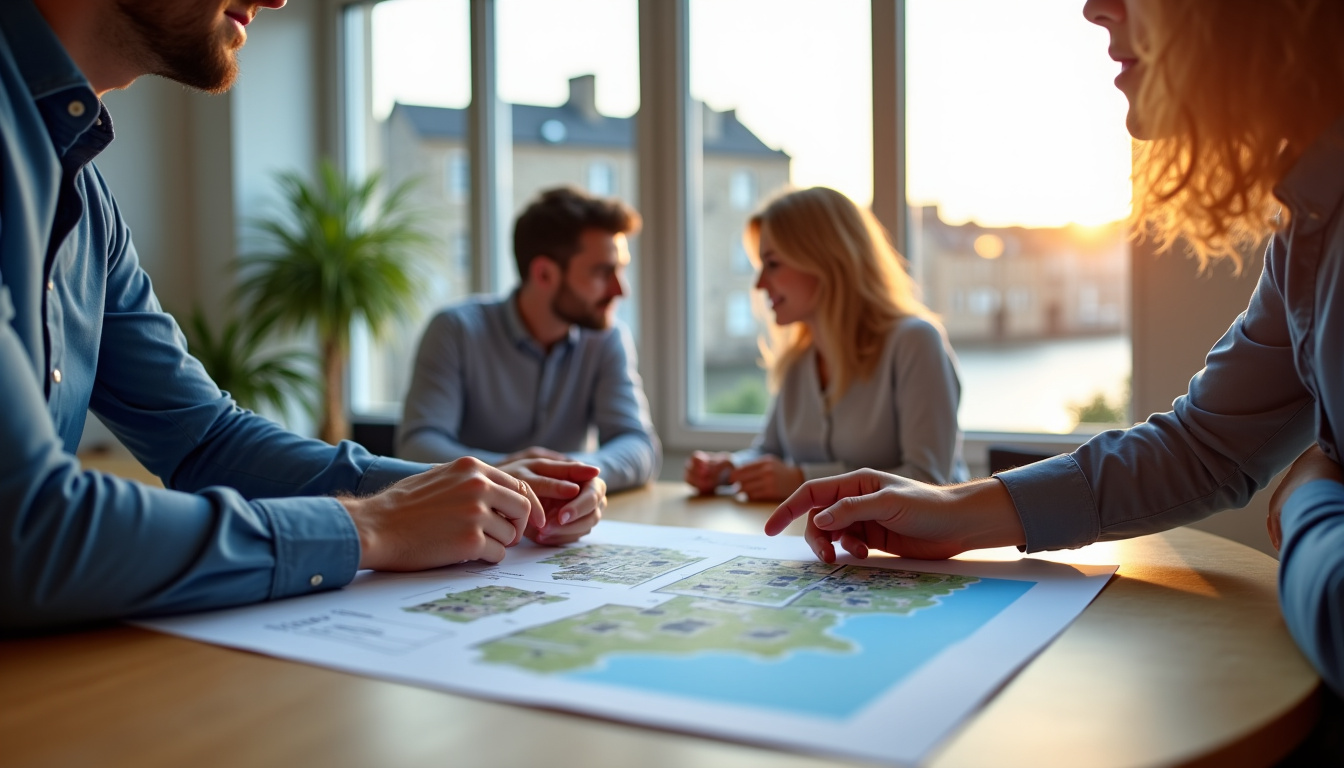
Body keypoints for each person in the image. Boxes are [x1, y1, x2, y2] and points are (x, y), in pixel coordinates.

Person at [766, 0, 1344, 696]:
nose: (1095, 7)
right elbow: (1204, 447)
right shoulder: (1310, 223)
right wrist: (955, 513)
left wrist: (1317, 493)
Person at [0, 0, 604, 631]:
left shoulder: (84, 194)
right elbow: (24, 528)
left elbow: (206, 440)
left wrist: (460, 487)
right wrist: (371, 524)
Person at [685, 187, 967, 502]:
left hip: (910, 551)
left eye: (773, 264)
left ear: (825, 260)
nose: (759, 284)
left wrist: (803, 481)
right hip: (815, 542)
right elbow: (769, 451)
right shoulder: (798, 360)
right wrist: (729, 468)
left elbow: (929, 481)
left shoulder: (915, 342)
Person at [397, 186, 661, 492]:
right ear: (544, 274)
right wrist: (511, 474)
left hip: (564, 521)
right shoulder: (456, 330)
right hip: (470, 522)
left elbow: (639, 446)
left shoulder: (607, 337)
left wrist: (570, 475)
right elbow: (417, 446)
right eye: (603, 272)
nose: (621, 290)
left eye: (621, 270)